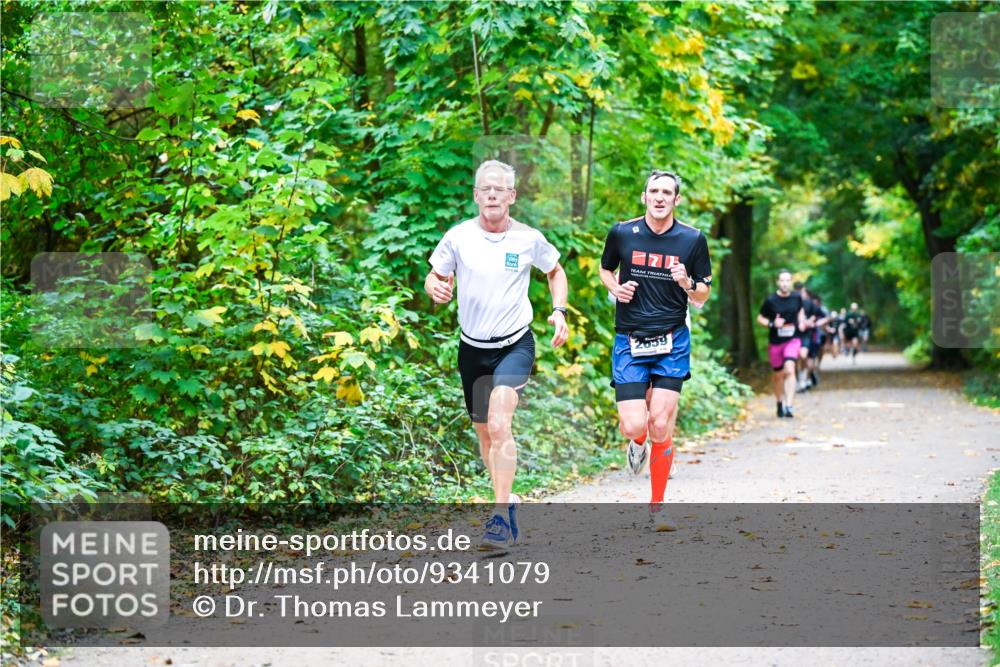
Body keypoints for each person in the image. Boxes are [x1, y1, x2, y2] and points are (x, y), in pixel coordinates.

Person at [425, 159, 569, 549]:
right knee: (485, 433)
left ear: (512, 196)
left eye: (499, 188)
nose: (491, 194)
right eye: (484, 188)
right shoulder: (457, 237)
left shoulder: (527, 238)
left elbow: (555, 271)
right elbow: (435, 274)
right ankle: (506, 500)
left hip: (514, 344)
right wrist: (434, 287)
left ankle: (500, 518)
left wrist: (559, 312)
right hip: (472, 349)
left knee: (500, 423)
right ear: (475, 195)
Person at [598, 169, 712, 525]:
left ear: (676, 200)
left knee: (660, 421)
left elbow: (704, 295)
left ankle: (657, 505)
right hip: (629, 338)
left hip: (671, 340)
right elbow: (605, 269)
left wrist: (688, 282)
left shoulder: (692, 240)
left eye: (667, 192)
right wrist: (615, 289)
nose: (660, 197)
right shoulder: (622, 232)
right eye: (654, 191)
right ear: (644, 196)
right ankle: (637, 443)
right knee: (635, 425)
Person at [757, 270, 806, 418]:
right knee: (778, 375)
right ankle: (779, 402)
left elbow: (800, 311)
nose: (785, 283)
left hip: (792, 339)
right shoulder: (771, 300)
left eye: (787, 281)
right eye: (782, 281)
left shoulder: (797, 298)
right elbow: (760, 318)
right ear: (778, 282)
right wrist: (773, 323)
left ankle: (789, 405)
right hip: (776, 342)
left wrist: (802, 322)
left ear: (791, 282)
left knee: (790, 369)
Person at [793, 282, 818, 392]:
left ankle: (802, 378)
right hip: (793, 334)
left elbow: (814, 316)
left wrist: (807, 322)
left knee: (803, 355)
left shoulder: (809, 303)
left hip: (805, 334)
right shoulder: (791, 302)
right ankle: (796, 378)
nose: (799, 293)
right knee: (793, 359)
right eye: (797, 290)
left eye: (801, 290)